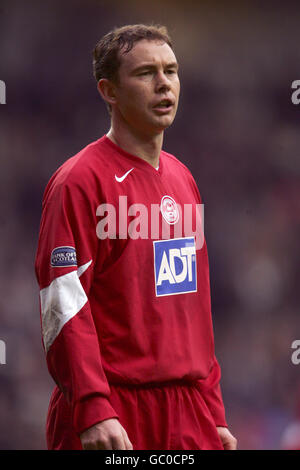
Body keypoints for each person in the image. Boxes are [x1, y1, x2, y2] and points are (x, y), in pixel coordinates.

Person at [35, 24, 237, 450]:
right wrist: (92, 408)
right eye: (146, 73)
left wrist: (213, 412)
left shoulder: (183, 179)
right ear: (109, 91)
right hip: (112, 413)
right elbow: (63, 302)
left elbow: (194, 308)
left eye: (171, 70)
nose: (164, 83)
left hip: (187, 414)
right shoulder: (78, 182)